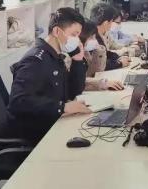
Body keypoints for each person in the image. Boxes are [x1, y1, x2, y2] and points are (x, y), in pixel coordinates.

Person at [7, 7, 91, 143]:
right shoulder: (35, 60)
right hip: (37, 133)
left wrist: (77, 61)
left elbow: (73, 92)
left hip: (54, 123)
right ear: (57, 31)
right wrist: (62, 107)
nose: (77, 40)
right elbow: (18, 102)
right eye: (74, 34)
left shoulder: (56, 57)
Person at [68, 21, 124, 96]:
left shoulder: (85, 52)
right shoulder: (70, 56)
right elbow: (76, 82)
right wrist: (103, 83)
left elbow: (96, 71)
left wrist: (99, 50)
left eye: (95, 37)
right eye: (92, 37)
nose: (95, 40)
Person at [90, 3, 130, 70]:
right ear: (106, 23)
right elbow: (101, 64)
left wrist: (118, 57)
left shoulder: (99, 33)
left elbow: (106, 53)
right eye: (111, 22)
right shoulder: (91, 38)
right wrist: (120, 63)